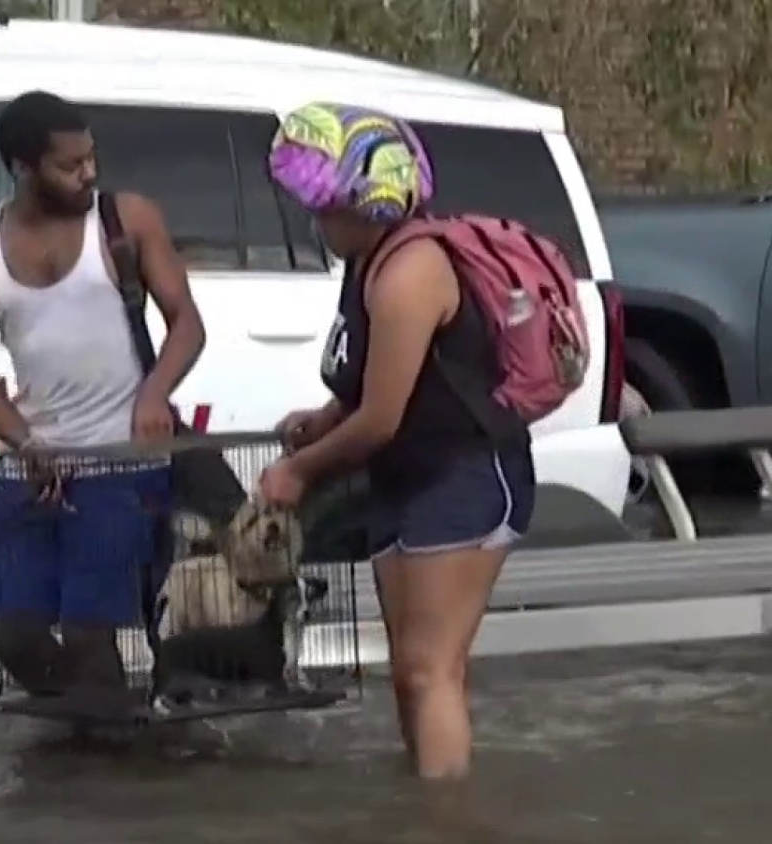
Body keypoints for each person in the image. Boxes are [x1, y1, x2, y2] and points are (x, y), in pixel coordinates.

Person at [257, 103, 536, 780]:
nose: (315, 222)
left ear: (361, 201)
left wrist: (300, 472)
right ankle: (424, 801)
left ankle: (446, 819)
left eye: (321, 208)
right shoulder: (366, 263)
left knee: (429, 668)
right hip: (404, 480)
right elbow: (370, 385)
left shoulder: (410, 272)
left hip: (465, 476)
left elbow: (381, 417)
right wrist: (321, 421)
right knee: (409, 671)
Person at [0, 90, 205, 696]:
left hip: (121, 467)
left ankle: (102, 754)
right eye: (70, 164)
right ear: (22, 167)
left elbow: (186, 323)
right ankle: (100, 740)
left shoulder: (126, 221)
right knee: (15, 634)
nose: (89, 173)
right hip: (30, 473)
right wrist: (24, 439)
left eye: (92, 158)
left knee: (91, 633)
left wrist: (155, 394)